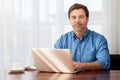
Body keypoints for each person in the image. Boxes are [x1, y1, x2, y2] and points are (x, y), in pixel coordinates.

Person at [54, 3, 110, 70]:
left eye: (81, 17)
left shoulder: (99, 39)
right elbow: (54, 61)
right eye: (73, 17)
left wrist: (81, 66)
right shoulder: (62, 40)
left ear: (87, 19)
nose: (77, 21)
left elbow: (104, 63)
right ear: (69, 20)